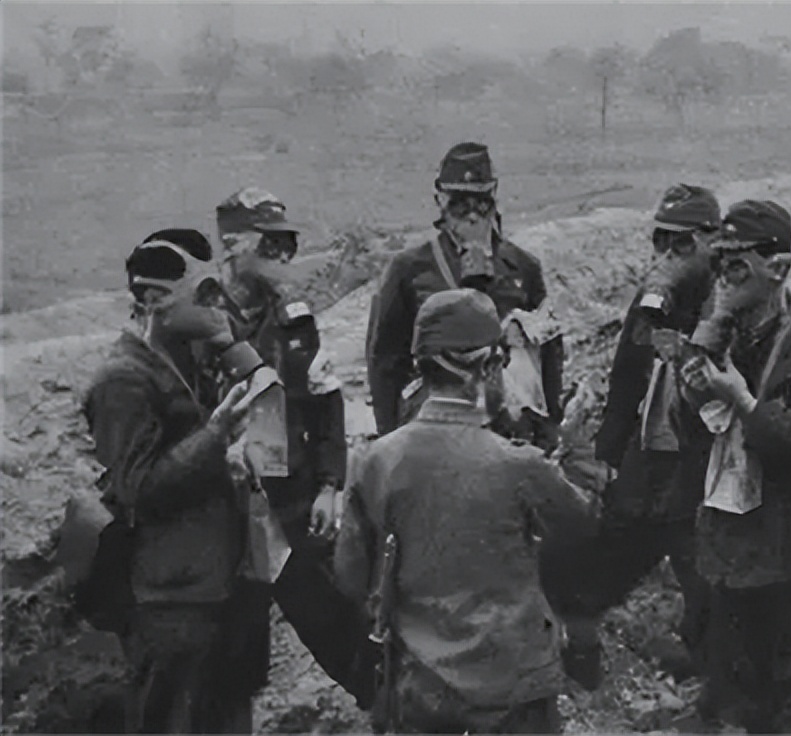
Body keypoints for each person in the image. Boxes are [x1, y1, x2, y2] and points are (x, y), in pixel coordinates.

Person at [335, 289, 598, 734]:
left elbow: (349, 578)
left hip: (421, 688)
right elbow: (584, 528)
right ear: (488, 367)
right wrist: (575, 449)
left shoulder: (373, 462)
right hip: (514, 689)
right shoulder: (519, 465)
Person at [676, 200, 791, 733]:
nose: (723, 277)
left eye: (737, 265)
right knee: (743, 713)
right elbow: (690, 440)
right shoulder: (720, 342)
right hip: (734, 562)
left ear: (777, 268)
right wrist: (693, 389)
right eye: (717, 263)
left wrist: (741, 399)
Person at [540, 184, 721, 688]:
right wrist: (607, 459)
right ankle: (583, 666)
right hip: (650, 464)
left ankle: (718, 693)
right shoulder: (654, 302)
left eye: (682, 243)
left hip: (704, 470)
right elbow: (625, 379)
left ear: (713, 241)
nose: (669, 255)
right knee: (597, 563)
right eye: (661, 241)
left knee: (705, 580)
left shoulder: (726, 303)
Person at [211, 190, 377, 707]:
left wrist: (330, 484)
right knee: (233, 646)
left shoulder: (294, 319)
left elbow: (326, 403)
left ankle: (387, 709)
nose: (283, 256)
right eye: (270, 244)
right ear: (233, 245)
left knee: (335, 620)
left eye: (288, 245)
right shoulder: (199, 322)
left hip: (292, 500)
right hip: (224, 512)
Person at [83, 234, 254, 733]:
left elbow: (269, 397)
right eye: (205, 294)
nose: (217, 306)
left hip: (217, 586)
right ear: (156, 300)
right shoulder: (123, 380)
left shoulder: (190, 359)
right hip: (169, 601)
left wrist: (233, 346)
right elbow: (138, 489)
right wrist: (215, 437)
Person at [365, 142, 564, 449]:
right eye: (460, 203)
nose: (472, 215)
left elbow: (548, 350)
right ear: (440, 201)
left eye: (481, 202)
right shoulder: (409, 269)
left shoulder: (523, 267)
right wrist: (390, 438)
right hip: (437, 425)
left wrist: (550, 425)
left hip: (509, 429)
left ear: (494, 197)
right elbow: (385, 361)